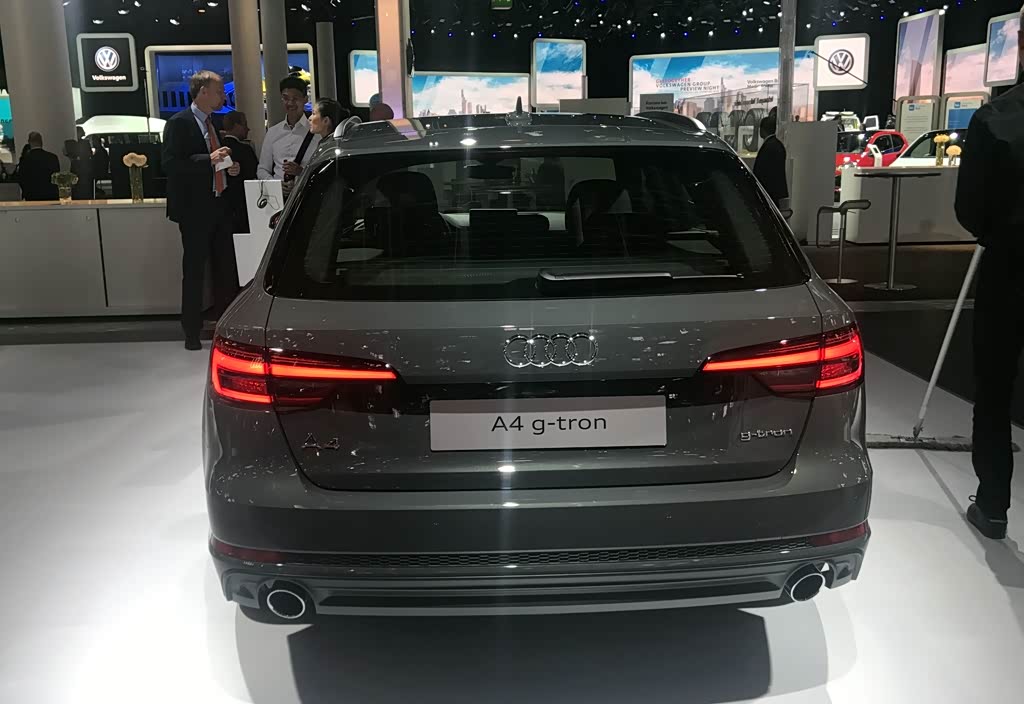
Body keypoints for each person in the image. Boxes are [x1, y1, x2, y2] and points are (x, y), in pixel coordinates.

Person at [954, 3, 1024, 541]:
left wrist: (998, 233)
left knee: (995, 389)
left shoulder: (995, 118)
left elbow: (969, 210)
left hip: (1009, 270)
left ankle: (994, 506)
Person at [162, 70, 242, 351]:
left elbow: (214, 164)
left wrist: (229, 168)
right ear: (203, 92)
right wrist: (208, 159)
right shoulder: (179, 123)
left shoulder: (213, 123)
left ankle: (225, 327)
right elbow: (171, 164)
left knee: (225, 268)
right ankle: (191, 331)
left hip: (219, 204)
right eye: (219, 92)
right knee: (195, 270)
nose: (223, 97)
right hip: (194, 209)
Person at [257, 75, 319, 184]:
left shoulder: (316, 132)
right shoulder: (273, 132)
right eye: (286, 98)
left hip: (307, 191)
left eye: (295, 98)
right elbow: (262, 169)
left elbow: (323, 171)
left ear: (305, 99)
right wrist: (276, 185)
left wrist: (301, 172)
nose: (290, 103)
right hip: (278, 193)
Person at [220, 111, 259, 234]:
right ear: (237, 126)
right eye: (245, 124)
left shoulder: (216, 150)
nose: (248, 129)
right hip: (243, 207)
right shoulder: (245, 150)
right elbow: (255, 175)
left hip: (221, 207)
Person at [752, 114, 788, 209]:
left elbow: (761, 171)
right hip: (776, 192)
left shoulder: (768, 147)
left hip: (767, 192)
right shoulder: (778, 145)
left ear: (762, 129)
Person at [16, 132, 60, 201]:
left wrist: (26, 192)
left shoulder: (25, 159)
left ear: (29, 142)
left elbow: (21, 179)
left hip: (32, 196)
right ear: (41, 142)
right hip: (51, 195)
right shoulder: (52, 157)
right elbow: (57, 178)